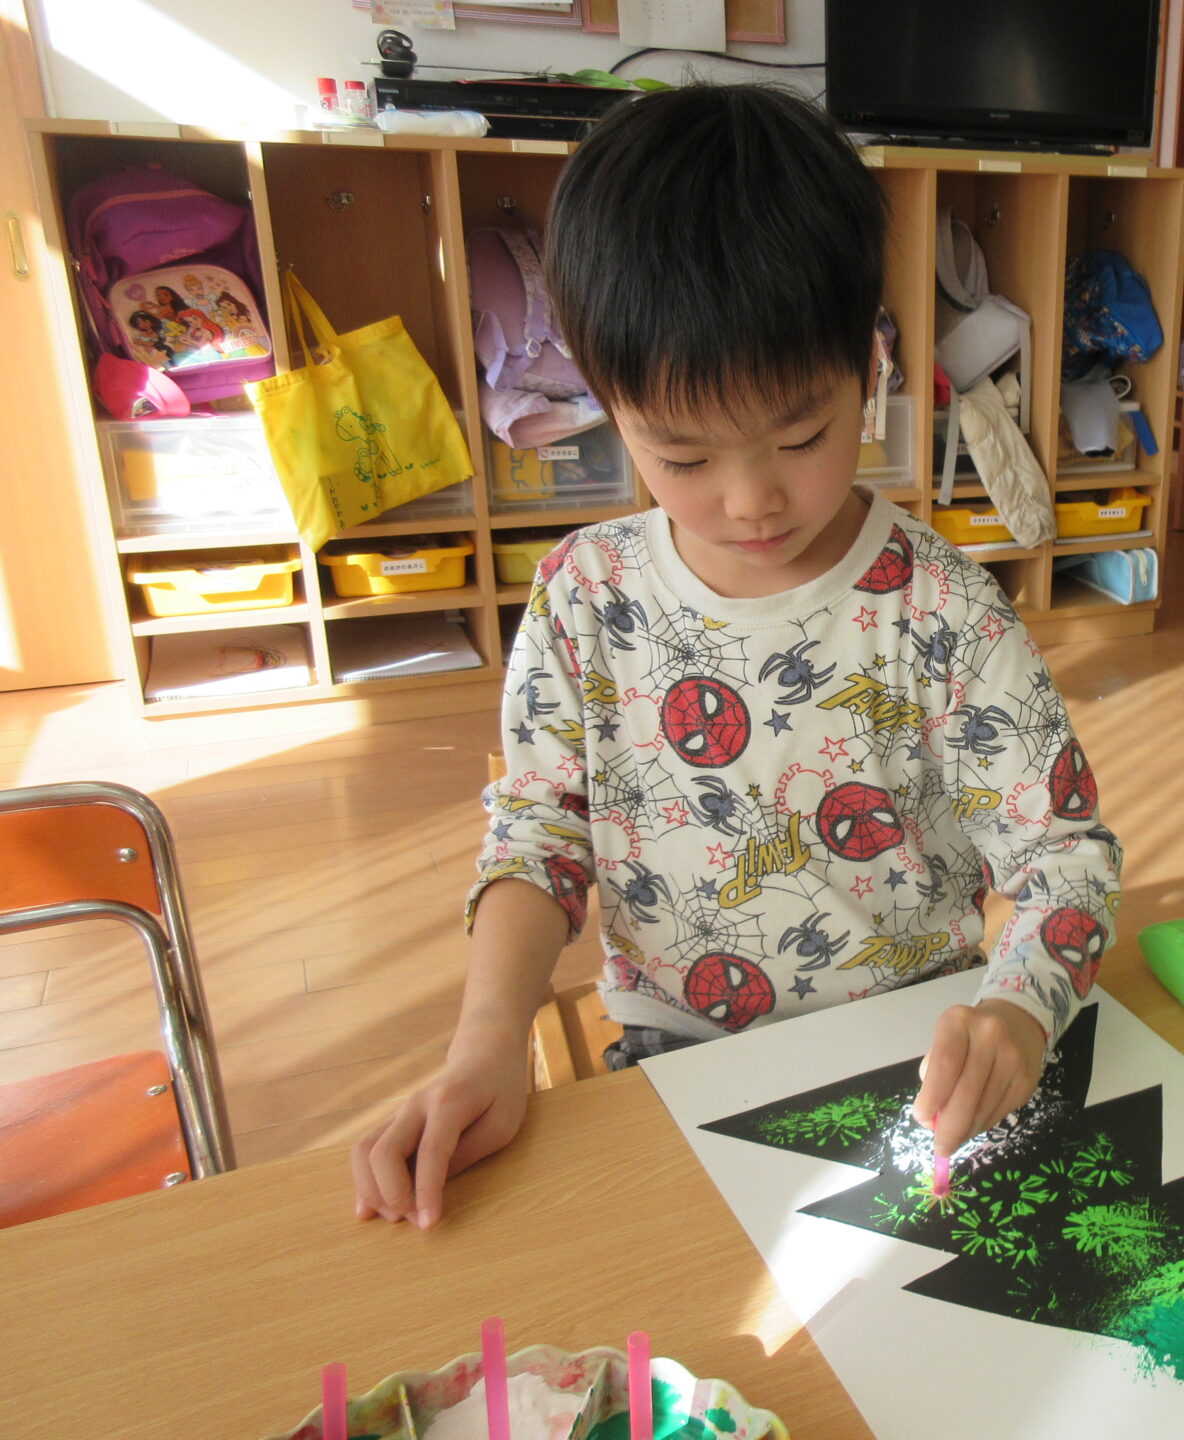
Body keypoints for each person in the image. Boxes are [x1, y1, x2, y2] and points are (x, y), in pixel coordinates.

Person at [350, 84, 1121, 1230]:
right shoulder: (585, 597)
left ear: (869, 363)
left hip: (915, 1053)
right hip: (678, 1054)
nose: (752, 499)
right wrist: (486, 1042)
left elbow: (1064, 855)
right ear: (606, 403)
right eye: (684, 455)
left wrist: (1017, 1012)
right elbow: (542, 835)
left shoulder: (943, 610)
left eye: (801, 436)